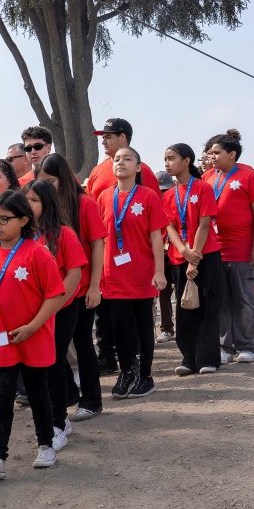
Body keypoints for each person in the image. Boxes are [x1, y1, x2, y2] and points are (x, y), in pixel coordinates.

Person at [0, 191, 65, 478]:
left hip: (33, 338)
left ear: (24, 219)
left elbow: (55, 296)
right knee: (1, 396)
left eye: (4, 219)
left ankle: (46, 445)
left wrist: (33, 326)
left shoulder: (38, 253)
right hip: (1, 340)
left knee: (38, 393)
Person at [84, 118, 160, 376]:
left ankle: (139, 368)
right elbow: (94, 217)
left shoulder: (144, 173)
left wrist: (158, 267)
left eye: (108, 136)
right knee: (107, 317)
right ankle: (109, 359)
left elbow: (155, 221)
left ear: (124, 137)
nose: (103, 140)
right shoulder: (98, 173)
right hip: (108, 263)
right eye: (102, 137)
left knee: (138, 321)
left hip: (138, 263)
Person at [36, 153, 107, 423]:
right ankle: (67, 395)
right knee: (55, 347)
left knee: (82, 343)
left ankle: (92, 400)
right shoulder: (43, 209)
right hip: (52, 291)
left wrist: (95, 286)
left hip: (81, 288)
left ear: (63, 179)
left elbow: (98, 243)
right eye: (41, 181)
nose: (46, 187)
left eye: (50, 181)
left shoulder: (84, 203)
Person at [95, 147, 169, 400]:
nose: (121, 163)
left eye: (127, 159)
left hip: (141, 274)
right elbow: (100, 241)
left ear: (138, 167)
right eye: (117, 159)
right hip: (113, 275)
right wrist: (98, 277)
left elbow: (156, 237)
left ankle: (145, 376)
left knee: (143, 327)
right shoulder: (104, 197)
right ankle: (127, 371)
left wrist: (159, 271)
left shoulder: (148, 196)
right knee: (119, 328)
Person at [22, 180, 86, 452]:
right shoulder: (22, 237)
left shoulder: (64, 234)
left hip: (61, 310)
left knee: (54, 364)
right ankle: (53, 419)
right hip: (33, 313)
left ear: (47, 203)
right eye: (27, 200)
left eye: (35, 200)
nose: (29, 205)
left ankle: (58, 422)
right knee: (38, 368)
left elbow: (74, 273)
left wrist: (56, 304)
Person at [203, 129, 254, 364]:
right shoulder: (208, 176)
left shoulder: (248, 174)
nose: (211, 157)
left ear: (232, 154)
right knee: (221, 299)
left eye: (216, 153)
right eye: (210, 153)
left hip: (242, 248)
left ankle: (246, 345)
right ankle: (225, 347)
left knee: (242, 299)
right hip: (215, 248)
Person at [162, 143, 223, 375]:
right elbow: (169, 228)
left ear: (186, 161)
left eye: (171, 158)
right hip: (179, 258)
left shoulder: (202, 188)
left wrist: (194, 258)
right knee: (185, 306)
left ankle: (208, 359)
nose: (167, 163)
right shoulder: (168, 195)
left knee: (207, 305)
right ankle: (189, 358)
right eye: (165, 159)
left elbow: (204, 224)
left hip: (206, 255)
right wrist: (184, 252)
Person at [154, 170, 177, 344]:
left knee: (184, 291)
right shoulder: (151, 203)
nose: (162, 194)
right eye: (159, 190)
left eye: (165, 190)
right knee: (163, 292)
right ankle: (167, 328)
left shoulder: (176, 201)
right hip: (161, 254)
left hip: (177, 252)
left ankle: (187, 327)